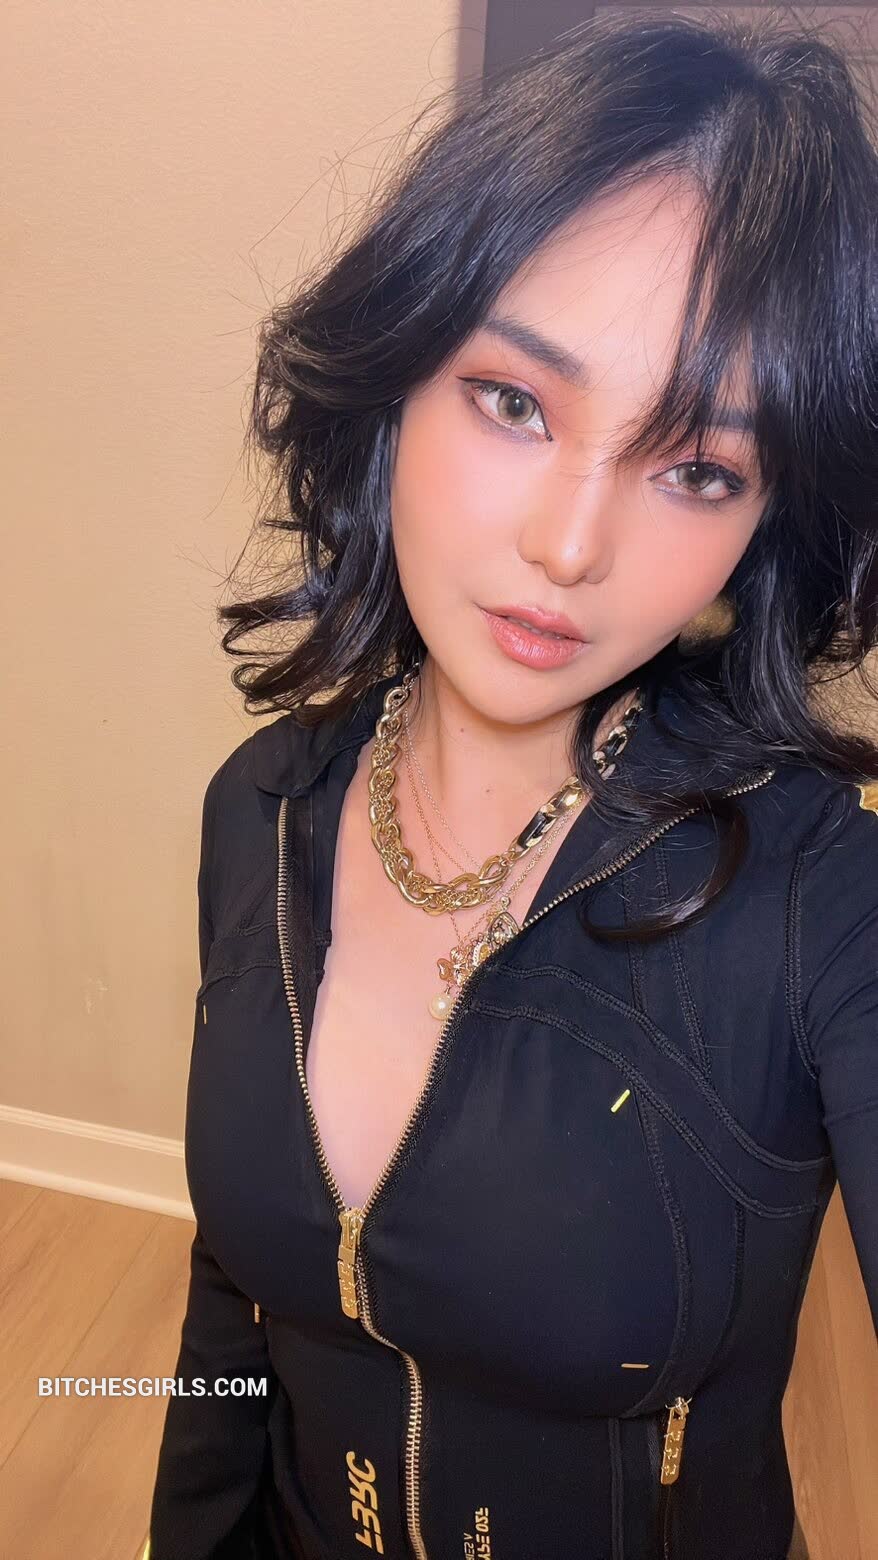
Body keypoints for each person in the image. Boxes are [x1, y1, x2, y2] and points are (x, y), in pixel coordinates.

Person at [143, 10, 878, 1559]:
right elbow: (233, 1304)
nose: (568, 544)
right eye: (515, 402)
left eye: (694, 468)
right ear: (395, 377)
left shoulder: (823, 901)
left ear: (758, 528)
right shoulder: (257, 805)